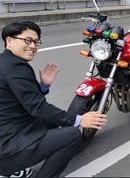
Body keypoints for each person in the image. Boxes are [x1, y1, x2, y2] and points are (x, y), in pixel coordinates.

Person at [0, 21, 107, 178]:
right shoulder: (16, 69)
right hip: (7, 146)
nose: (33, 46)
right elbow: (38, 108)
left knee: (54, 120)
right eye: (27, 40)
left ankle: (13, 168)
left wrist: (43, 86)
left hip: (8, 127)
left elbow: (20, 99)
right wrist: (79, 120)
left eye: (36, 42)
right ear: (9, 41)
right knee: (72, 135)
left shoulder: (6, 62)